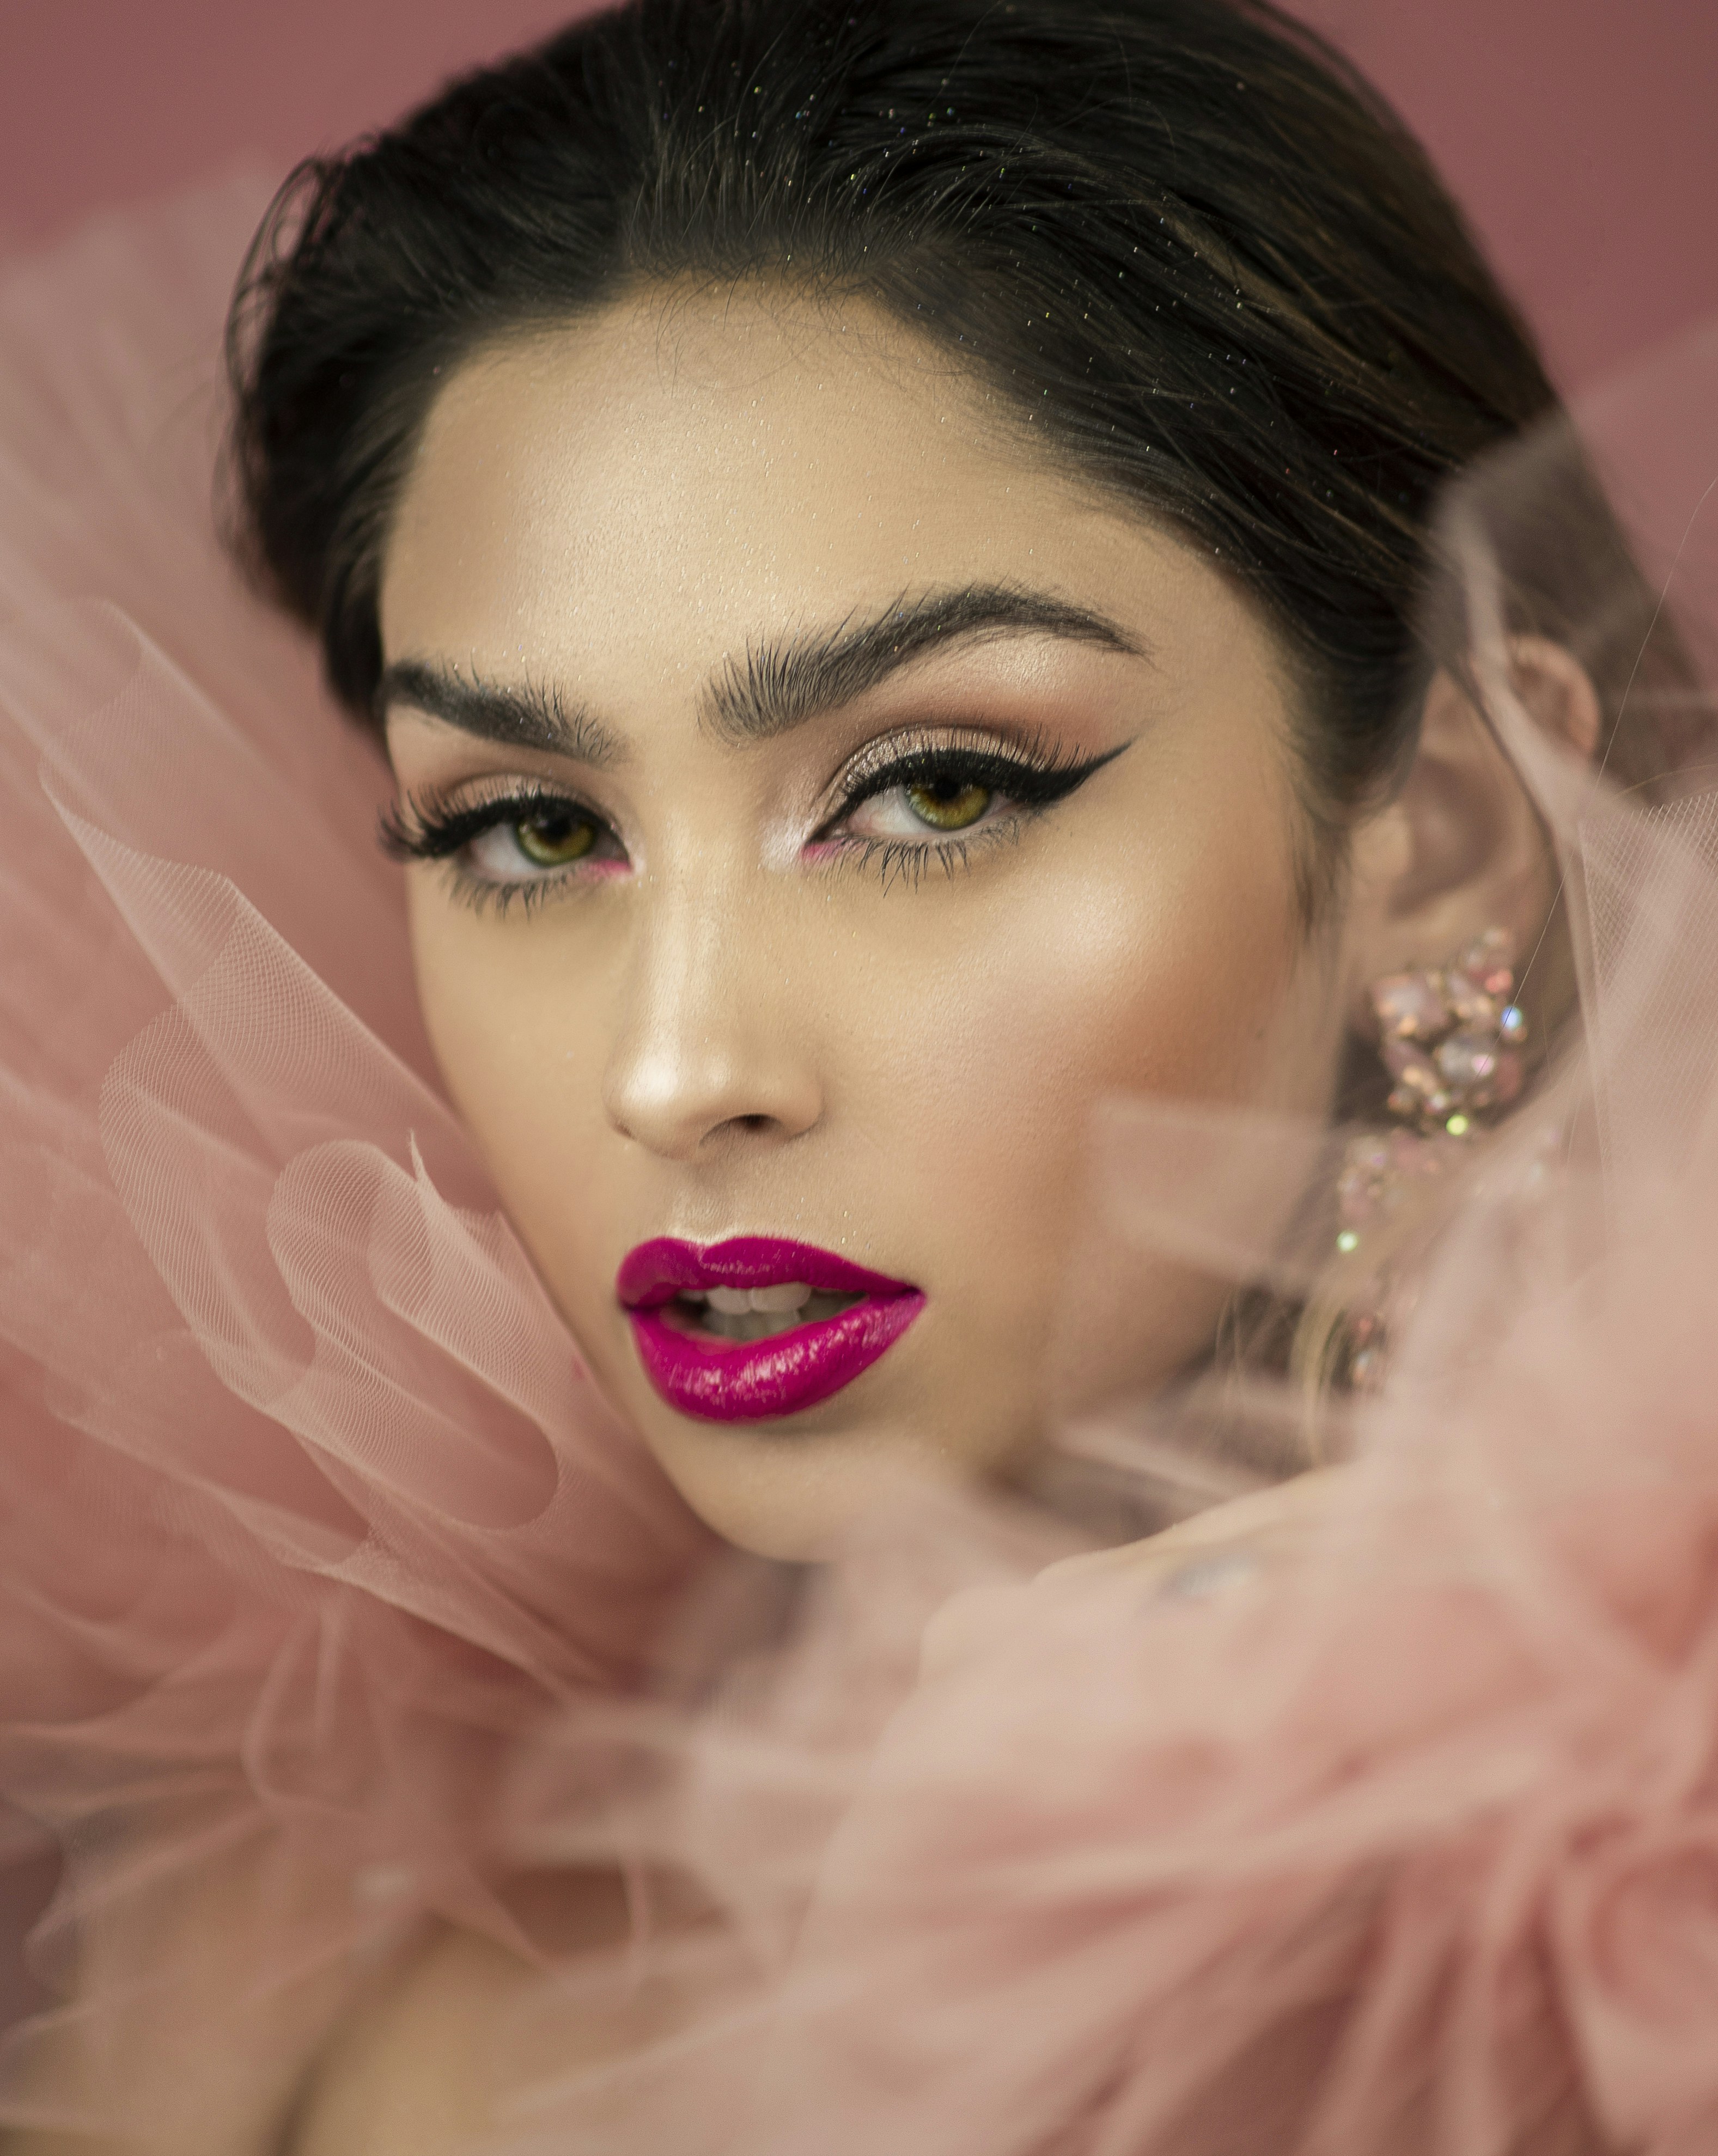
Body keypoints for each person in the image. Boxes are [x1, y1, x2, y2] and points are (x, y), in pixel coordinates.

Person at [2, 1, 1717, 2148]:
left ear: (1447, 841)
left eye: (930, 793)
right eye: (531, 829)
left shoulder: (1623, 1924)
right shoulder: (316, 1906)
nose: (678, 1068)